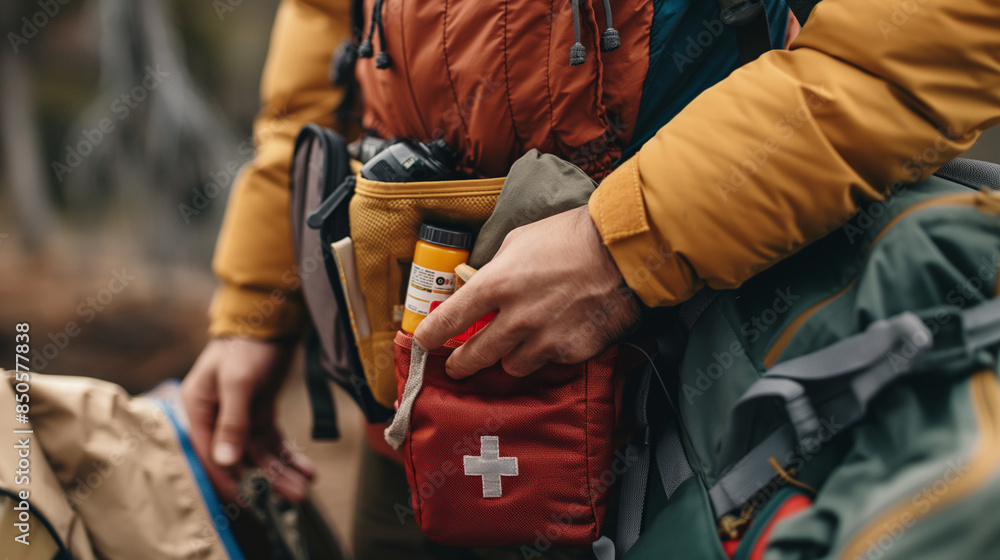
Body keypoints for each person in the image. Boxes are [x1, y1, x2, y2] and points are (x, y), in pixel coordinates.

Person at [181, 0, 1000, 557]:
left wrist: (623, 249)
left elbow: (922, 40)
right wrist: (254, 306)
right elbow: (324, 42)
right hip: (413, 397)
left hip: (683, 385)